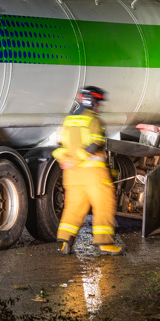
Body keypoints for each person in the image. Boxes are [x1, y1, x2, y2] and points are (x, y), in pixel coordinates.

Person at [53, 86, 123, 255]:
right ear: (92, 101)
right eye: (98, 103)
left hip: (72, 175)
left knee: (73, 208)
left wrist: (66, 160)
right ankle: (104, 243)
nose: (98, 107)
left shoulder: (68, 120)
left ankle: (65, 241)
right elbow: (96, 143)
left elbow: (59, 146)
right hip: (94, 176)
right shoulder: (93, 119)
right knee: (104, 206)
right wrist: (79, 158)